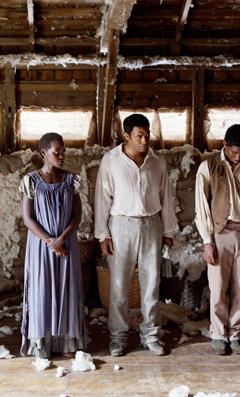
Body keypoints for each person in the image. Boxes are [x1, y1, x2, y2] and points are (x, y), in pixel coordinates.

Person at [94, 114, 177, 357]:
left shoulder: (157, 161)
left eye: (147, 134)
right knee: (119, 285)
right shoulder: (111, 160)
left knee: (151, 283)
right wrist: (102, 235)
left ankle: (150, 335)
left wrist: (168, 232)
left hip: (152, 225)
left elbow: (166, 198)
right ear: (126, 135)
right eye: (139, 135)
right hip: (121, 226)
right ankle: (118, 337)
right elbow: (102, 198)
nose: (144, 140)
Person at [195, 124, 240, 356]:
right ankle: (218, 334)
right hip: (220, 233)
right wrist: (208, 240)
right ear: (224, 145)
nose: (238, 158)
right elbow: (202, 207)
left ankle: (235, 335)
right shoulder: (209, 167)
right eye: (234, 152)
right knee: (217, 288)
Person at [19, 132, 86, 359]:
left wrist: (62, 239)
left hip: (67, 245)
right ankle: (43, 343)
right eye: (56, 152)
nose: (61, 155)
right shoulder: (31, 181)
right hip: (41, 247)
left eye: (63, 151)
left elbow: (76, 216)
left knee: (67, 287)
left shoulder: (71, 180)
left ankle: (67, 340)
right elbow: (28, 219)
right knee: (42, 289)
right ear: (43, 153)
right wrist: (51, 241)